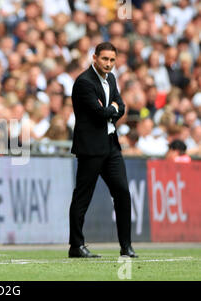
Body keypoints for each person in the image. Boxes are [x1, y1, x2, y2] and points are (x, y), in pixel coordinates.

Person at [69, 42, 137, 258]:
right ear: (94, 58)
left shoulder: (112, 79)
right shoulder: (84, 82)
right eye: (105, 59)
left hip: (111, 145)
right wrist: (112, 110)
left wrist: (112, 109)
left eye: (112, 60)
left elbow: (120, 106)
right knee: (82, 197)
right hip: (90, 148)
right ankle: (76, 246)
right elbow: (100, 113)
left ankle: (126, 246)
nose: (108, 64)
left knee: (123, 193)